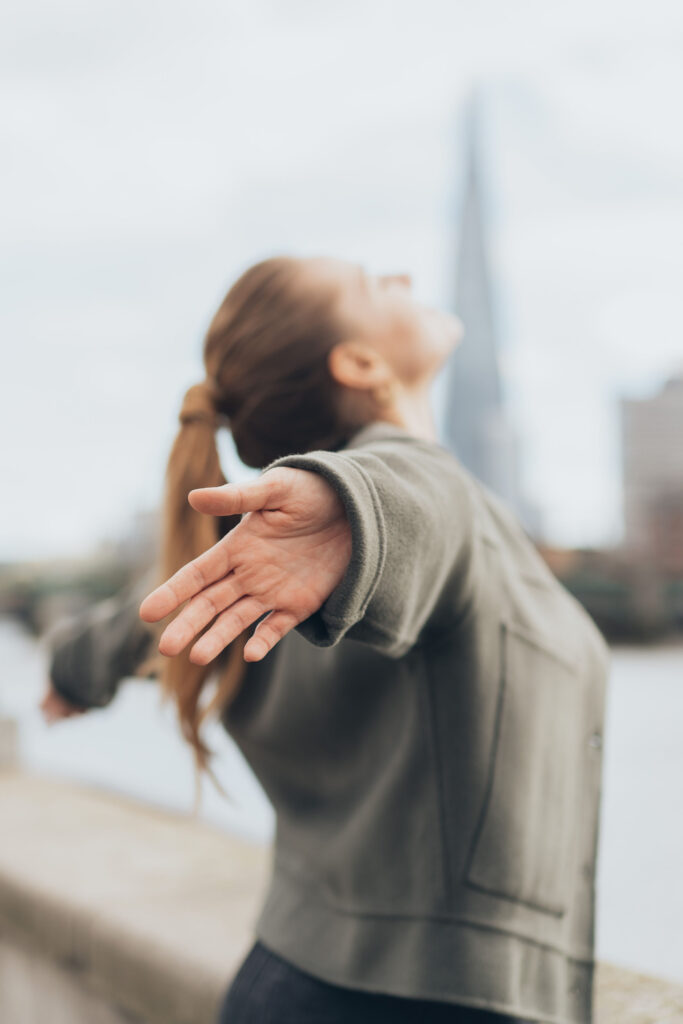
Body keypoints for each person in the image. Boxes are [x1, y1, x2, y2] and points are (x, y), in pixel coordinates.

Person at [43, 255, 611, 1024]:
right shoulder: (407, 497)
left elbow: (130, 621)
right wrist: (353, 507)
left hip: (284, 979)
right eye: (375, 283)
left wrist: (72, 676)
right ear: (359, 363)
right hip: (435, 1003)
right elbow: (415, 498)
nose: (403, 276)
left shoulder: (253, 559)